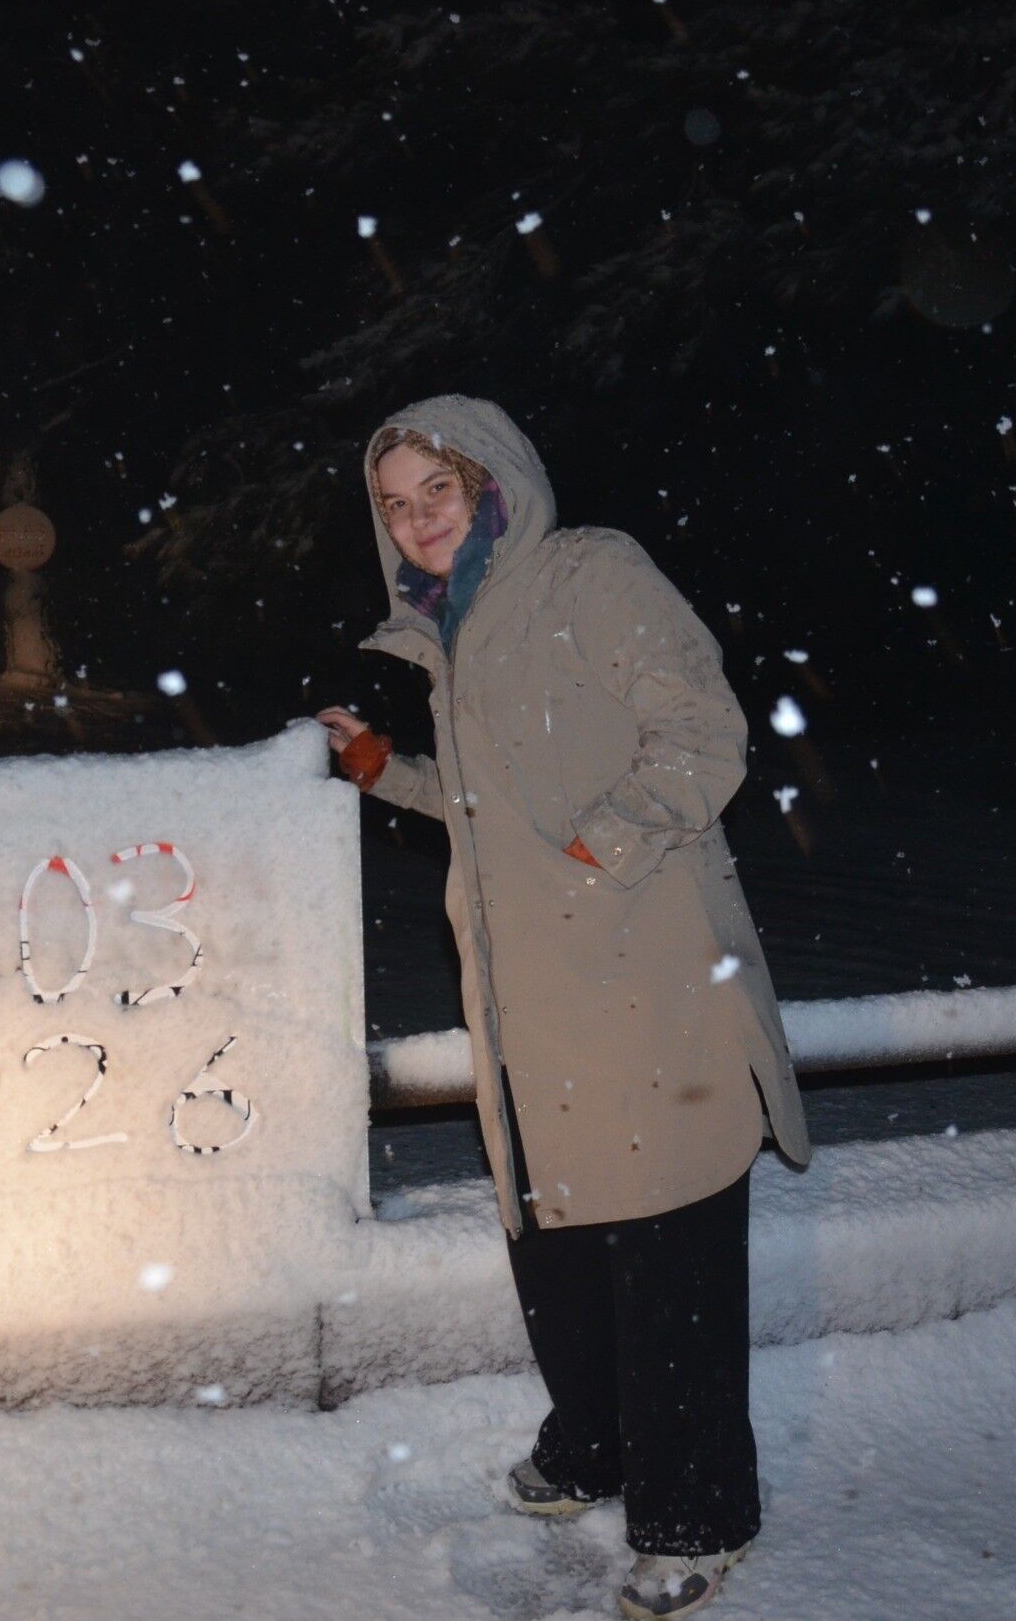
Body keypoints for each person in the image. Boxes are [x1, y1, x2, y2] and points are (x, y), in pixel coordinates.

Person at [317, 395, 810, 1621]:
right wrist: (393, 774)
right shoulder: (447, 628)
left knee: (666, 1251)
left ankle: (698, 1516)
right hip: (526, 999)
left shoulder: (589, 571)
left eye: (437, 489)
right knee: (560, 1238)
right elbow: (497, 811)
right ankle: (593, 1447)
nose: (416, 518)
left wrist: (612, 843)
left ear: (490, 483)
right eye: (393, 503)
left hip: (644, 978)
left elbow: (705, 733)